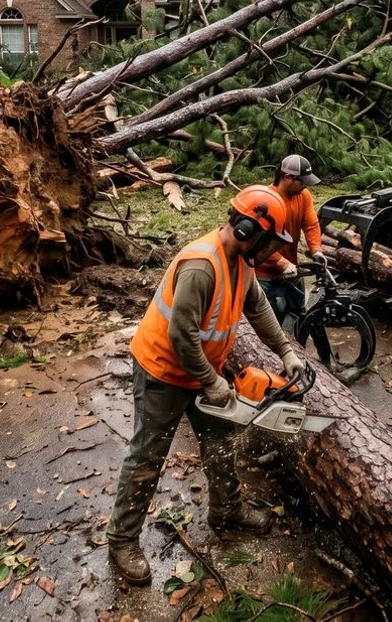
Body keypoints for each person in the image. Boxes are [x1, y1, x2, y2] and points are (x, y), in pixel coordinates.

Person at [105, 185, 307, 586]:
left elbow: (258, 307)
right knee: (148, 455)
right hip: (163, 371)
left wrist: (285, 350)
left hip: (202, 373)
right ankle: (122, 539)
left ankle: (227, 510)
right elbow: (181, 334)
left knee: (220, 438)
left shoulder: (241, 262)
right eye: (269, 242)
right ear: (249, 230)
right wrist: (212, 383)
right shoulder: (202, 265)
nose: (271, 253)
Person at [256, 155, 327, 339]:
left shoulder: (303, 196)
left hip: (293, 270)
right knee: (271, 325)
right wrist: (281, 263)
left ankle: (298, 351)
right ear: (288, 177)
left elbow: (311, 225)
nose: (306, 185)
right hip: (266, 277)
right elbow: (259, 243)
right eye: (302, 181)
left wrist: (316, 250)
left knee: (299, 314)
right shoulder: (266, 201)